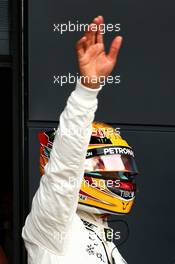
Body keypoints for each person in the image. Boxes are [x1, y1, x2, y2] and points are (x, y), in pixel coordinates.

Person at [22, 16, 139, 264]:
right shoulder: (53, 223)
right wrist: (87, 92)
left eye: (124, 167)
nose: (122, 176)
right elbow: (64, 171)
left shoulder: (101, 232)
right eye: (106, 165)